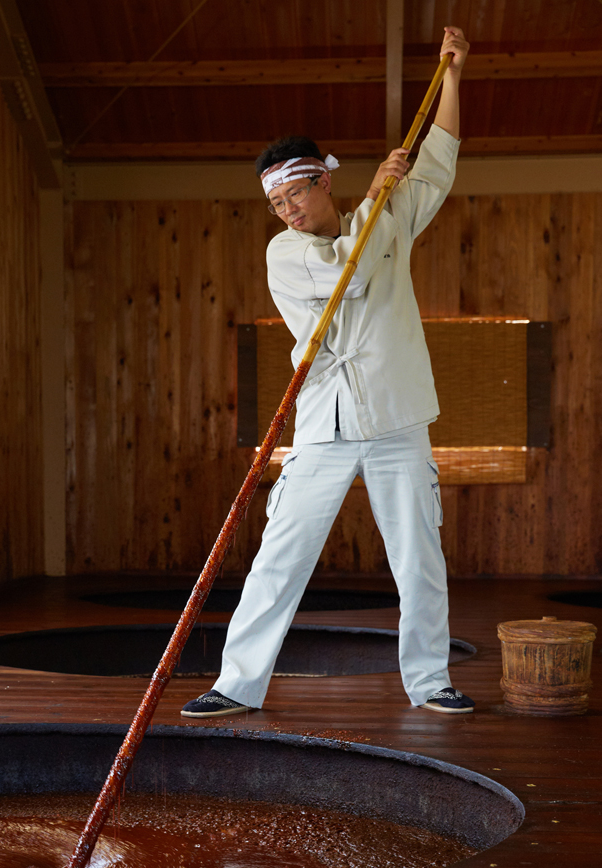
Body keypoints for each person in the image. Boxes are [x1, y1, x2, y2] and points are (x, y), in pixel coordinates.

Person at [182, 27, 474, 718]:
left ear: (323, 180)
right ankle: (238, 683)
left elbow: (438, 162)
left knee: (419, 559)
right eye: (277, 205)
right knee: (281, 555)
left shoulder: (389, 214)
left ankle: (431, 680)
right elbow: (352, 265)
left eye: (297, 196)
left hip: (398, 415)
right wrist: (377, 193)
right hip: (324, 421)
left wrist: (454, 78)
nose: (288, 211)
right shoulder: (286, 254)